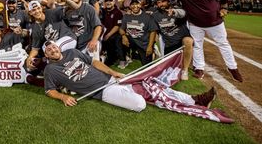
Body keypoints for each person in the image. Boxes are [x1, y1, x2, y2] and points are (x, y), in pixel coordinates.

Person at [42, 40, 217, 111]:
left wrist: (113, 72)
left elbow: (94, 62)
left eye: (53, 46)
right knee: (140, 104)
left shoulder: (73, 52)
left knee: (150, 85)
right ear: (47, 56)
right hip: (102, 92)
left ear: (58, 47)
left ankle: (195, 100)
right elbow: (49, 90)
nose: (53, 49)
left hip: (110, 79)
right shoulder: (50, 70)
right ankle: (148, 93)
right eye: (49, 50)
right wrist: (63, 97)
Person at [147, 0, 243, 82]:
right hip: (195, 23)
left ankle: (233, 68)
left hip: (215, 22)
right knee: (197, 46)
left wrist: (224, 8)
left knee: (223, 44)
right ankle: (199, 68)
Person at [151, 0, 193, 80]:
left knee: (188, 40)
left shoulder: (176, 9)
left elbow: (183, 13)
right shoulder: (155, 15)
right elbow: (155, 31)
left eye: (163, 1)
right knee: (168, 70)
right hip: (169, 44)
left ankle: (185, 70)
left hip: (181, 41)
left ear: (168, 1)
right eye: (159, 2)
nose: (161, 4)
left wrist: (174, 11)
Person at [119, 0, 158, 66]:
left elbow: (153, 31)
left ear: (140, 5)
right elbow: (121, 29)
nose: (135, 6)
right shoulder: (126, 16)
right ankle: (124, 58)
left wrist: (150, 46)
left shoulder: (147, 16)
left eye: (137, 4)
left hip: (143, 44)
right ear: (130, 6)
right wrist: (123, 36)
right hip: (132, 41)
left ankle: (153, 50)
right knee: (118, 38)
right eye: (132, 4)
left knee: (146, 66)